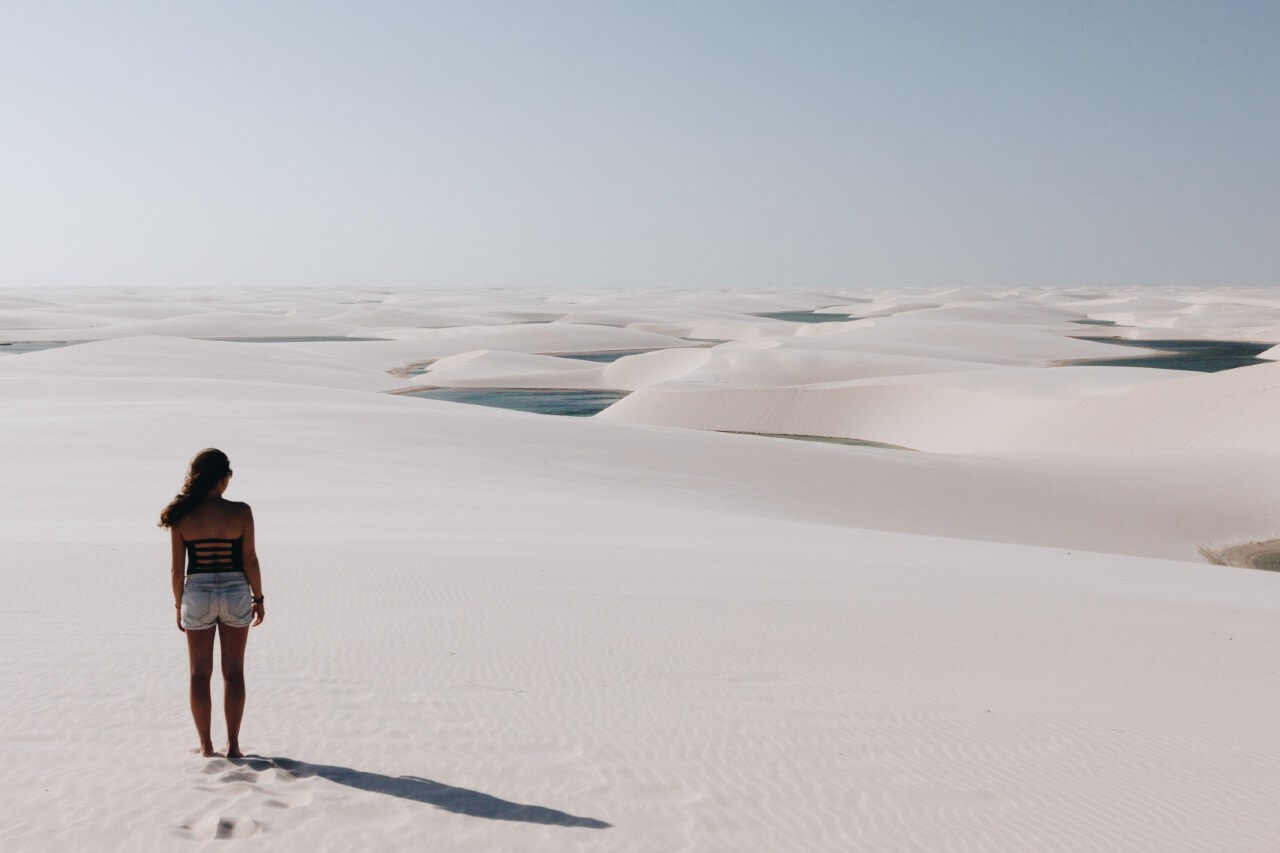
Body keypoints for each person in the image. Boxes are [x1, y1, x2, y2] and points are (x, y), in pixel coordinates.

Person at [159, 448, 265, 758]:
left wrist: (179, 604)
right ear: (222, 478)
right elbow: (250, 561)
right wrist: (258, 597)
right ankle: (233, 745)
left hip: (198, 591)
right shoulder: (241, 512)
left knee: (198, 673)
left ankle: (206, 746)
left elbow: (178, 569)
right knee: (234, 672)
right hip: (235, 589)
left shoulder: (182, 516)